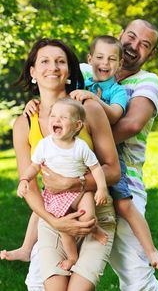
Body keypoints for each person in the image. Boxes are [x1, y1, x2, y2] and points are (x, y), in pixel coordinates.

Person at [1, 38, 120, 291]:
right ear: (33, 72)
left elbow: (112, 169)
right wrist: (54, 222)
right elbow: (30, 184)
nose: (53, 67)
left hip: (94, 216)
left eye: (60, 61)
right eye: (44, 61)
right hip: (53, 219)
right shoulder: (24, 123)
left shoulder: (89, 109)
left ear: (69, 71)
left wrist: (73, 183)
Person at [71, 35, 158, 269]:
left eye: (112, 59)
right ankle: (66, 255)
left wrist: (94, 99)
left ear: (119, 63)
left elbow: (114, 114)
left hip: (110, 155)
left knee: (123, 204)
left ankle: (152, 251)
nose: (105, 63)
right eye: (100, 57)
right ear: (90, 58)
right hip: (79, 157)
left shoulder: (118, 90)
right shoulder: (80, 79)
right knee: (63, 203)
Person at [17, 98, 109, 271]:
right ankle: (72, 257)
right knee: (64, 230)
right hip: (57, 195)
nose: (56, 120)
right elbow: (34, 166)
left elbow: (96, 168)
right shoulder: (45, 145)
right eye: (53, 116)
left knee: (87, 217)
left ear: (77, 126)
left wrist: (102, 188)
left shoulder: (80, 147)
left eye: (63, 117)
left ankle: (95, 230)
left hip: (81, 191)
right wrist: (24, 180)